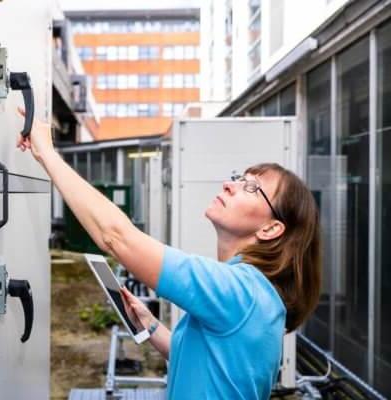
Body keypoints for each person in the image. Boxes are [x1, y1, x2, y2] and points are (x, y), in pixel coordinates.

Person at [16, 109, 322, 399]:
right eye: (239, 178)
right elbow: (205, 362)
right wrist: (150, 327)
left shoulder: (239, 291)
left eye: (252, 187)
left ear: (270, 229)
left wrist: (46, 154)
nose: (230, 185)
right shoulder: (253, 294)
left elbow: (116, 236)